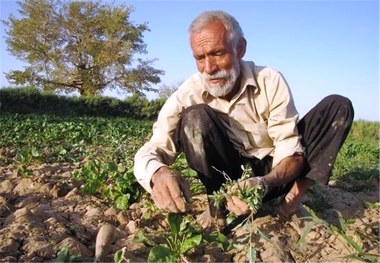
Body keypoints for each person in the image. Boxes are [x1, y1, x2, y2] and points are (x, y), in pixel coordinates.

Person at [134, 10, 354, 228]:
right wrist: (158, 172)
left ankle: (291, 201)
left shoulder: (269, 80)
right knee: (194, 118)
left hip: (272, 176)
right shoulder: (188, 93)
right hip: (227, 177)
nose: (209, 68)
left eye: (217, 53)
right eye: (200, 58)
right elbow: (153, 148)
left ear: (240, 48)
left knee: (338, 106)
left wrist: (263, 182)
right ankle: (218, 206)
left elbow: (290, 150)